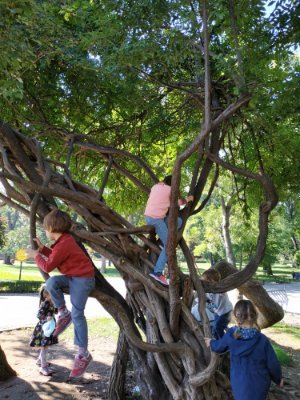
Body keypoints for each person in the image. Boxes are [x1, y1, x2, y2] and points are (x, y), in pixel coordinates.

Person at [26, 209, 95, 379]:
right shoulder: (63, 242)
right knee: (51, 283)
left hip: (83, 279)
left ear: (51, 227)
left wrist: (36, 256)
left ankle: (82, 353)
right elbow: (57, 257)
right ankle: (63, 312)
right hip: (72, 277)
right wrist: (43, 250)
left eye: (46, 227)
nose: (45, 230)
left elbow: (48, 267)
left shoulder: (65, 242)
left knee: (78, 314)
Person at [205, 300, 283, 400]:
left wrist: (211, 342)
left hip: (240, 384)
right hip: (260, 384)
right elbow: (273, 363)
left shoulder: (231, 335)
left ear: (236, 317)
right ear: (255, 316)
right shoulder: (262, 340)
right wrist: (278, 379)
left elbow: (219, 347)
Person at [145, 175, 193, 286]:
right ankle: (157, 272)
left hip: (151, 217)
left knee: (178, 221)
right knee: (170, 245)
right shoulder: (171, 190)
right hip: (156, 220)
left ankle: (162, 243)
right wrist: (189, 199)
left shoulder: (155, 186)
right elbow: (180, 203)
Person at [29, 285, 58, 376]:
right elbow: (39, 315)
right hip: (43, 328)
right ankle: (43, 367)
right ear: (46, 295)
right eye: (52, 294)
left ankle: (39, 361)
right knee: (44, 347)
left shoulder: (52, 302)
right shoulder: (45, 303)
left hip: (50, 327)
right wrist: (47, 318)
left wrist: (56, 305)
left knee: (45, 346)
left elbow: (56, 312)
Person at [202, 268, 233, 339]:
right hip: (218, 312)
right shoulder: (207, 291)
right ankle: (221, 340)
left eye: (205, 280)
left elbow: (221, 291)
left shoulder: (220, 289)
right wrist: (206, 300)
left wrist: (215, 284)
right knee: (216, 329)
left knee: (217, 328)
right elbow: (211, 304)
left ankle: (223, 343)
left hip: (225, 312)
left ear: (211, 281)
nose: (204, 282)